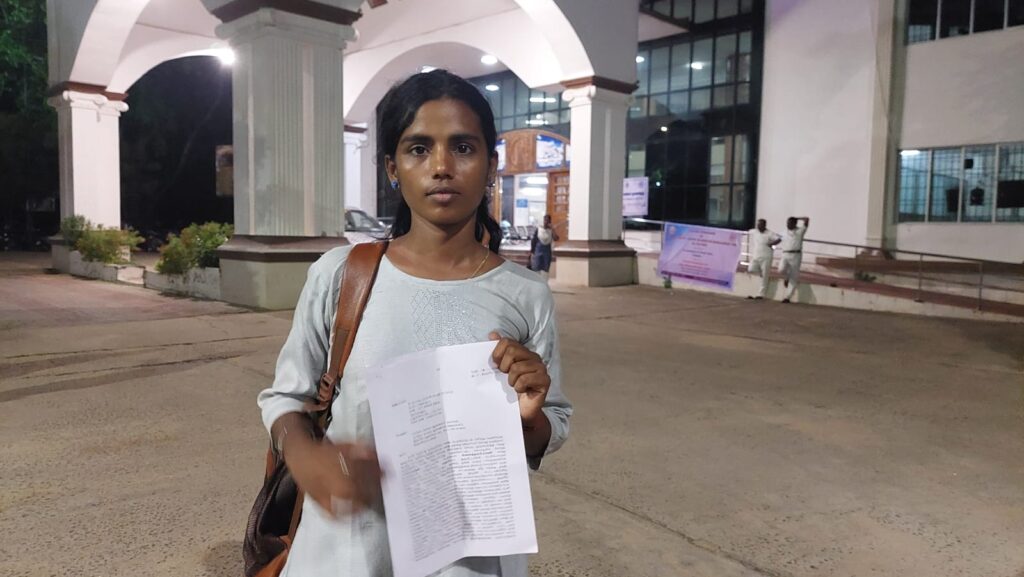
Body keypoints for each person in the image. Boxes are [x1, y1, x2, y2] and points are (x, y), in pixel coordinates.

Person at [257, 69, 572, 577]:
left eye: (463, 148)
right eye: (419, 149)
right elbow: (285, 398)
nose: (441, 167)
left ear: (491, 166)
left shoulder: (526, 293)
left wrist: (529, 416)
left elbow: (549, 427)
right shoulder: (341, 276)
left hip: (469, 558)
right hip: (347, 554)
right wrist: (307, 458)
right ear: (392, 168)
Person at [746, 218, 780, 300]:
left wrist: (772, 244)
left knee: (765, 276)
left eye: (760, 225)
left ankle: (761, 294)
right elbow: (745, 231)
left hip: (766, 256)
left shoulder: (769, 233)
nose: (759, 226)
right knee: (751, 269)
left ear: (764, 225)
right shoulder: (755, 231)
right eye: (758, 225)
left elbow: (779, 239)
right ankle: (760, 272)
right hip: (756, 256)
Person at [778, 216, 810, 303]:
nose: (788, 225)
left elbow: (807, 219)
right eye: (787, 223)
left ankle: (787, 297)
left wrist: (797, 218)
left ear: (795, 223)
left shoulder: (800, 231)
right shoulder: (783, 232)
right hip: (785, 253)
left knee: (794, 276)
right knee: (781, 269)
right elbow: (778, 240)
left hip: (796, 254)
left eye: (790, 223)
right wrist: (770, 244)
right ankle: (786, 277)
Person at [530, 214, 560, 280]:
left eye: (548, 221)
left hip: (547, 252)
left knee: (545, 268)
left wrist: (553, 229)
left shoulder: (551, 231)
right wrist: (532, 252)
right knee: (536, 267)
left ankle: (544, 282)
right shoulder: (539, 229)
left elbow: (556, 238)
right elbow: (534, 241)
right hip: (538, 251)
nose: (546, 222)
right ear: (543, 221)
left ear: (550, 222)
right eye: (545, 220)